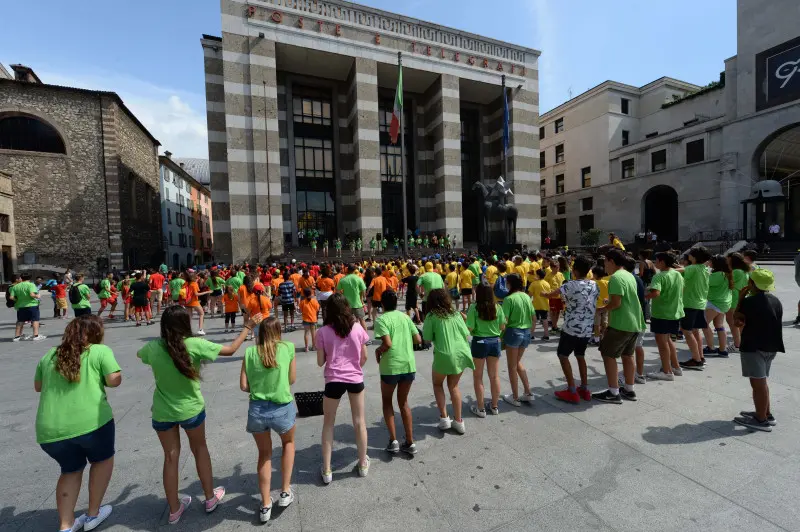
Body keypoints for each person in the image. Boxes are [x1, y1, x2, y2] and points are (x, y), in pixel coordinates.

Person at [137, 306, 263, 525]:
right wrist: (247, 327)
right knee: (200, 449)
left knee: (170, 457)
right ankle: (209, 498)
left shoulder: (153, 347)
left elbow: (140, 356)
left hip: (163, 411)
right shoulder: (195, 345)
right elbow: (231, 349)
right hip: (191, 409)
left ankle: (174, 509)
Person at [35, 315, 120, 532]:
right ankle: (93, 513)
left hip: (51, 431)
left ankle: (66, 525)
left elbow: (38, 386)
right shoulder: (100, 351)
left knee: (70, 470)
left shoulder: (49, 355)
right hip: (93, 423)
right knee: (101, 461)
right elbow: (114, 380)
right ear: (96, 333)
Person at [240, 317, 297, 521]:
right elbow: (292, 379)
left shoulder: (249, 352)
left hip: (257, 409)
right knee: (288, 443)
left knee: (264, 454)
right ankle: (284, 491)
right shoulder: (288, 347)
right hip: (282, 405)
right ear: (278, 331)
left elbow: (244, 386)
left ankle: (265, 505)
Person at [315, 294, 371, 484]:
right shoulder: (357, 328)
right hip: (354, 377)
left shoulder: (322, 331)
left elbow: (320, 361)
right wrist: (354, 367)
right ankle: (363, 463)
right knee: (359, 421)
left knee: (328, 423)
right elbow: (364, 357)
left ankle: (327, 469)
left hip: (333, 379)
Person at [732, 269, 784, 432]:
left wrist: (740, 298)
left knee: (758, 384)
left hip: (754, 347)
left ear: (751, 283)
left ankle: (761, 419)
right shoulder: (775, 300)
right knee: (762, 381)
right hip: (771, 346)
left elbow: (737, 321)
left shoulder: (750, 302)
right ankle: (765, 413)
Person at [592, 249, 646, 404]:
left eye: (605, 262)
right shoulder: (629, 275)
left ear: (611, 261)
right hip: (635, 322)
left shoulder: (615, 278)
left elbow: (616, 303)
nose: (604, 266)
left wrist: (600, 310)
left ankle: (613, 391)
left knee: (608, 355)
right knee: (628, 356)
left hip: (622, 323)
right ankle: (629, 389)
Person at [545, 256, 598, 404]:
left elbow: (553, 294)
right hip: (587, 328)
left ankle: (572, 390)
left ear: (574, 271)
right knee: (580, 355)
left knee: (563, 355)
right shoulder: (594, 285)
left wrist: (544, 294)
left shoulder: (570, 285)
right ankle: (585, 389)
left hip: (571, 328)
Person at [374, 290, 422, 454]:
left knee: (387, 402)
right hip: (408, 365)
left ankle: (393, 440)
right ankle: (410, 442)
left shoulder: (381, 320)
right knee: (404, 403)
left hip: (391, 367)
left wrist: (378, 350)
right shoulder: (405, 317)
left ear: (382, 304)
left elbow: (387, 343)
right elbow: (418, 339)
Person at [422, 289, 474, 434]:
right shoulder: (456, 313)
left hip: (444, 354)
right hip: (461, 352)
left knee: (438, 384)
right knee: (454, 386)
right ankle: (459, 421)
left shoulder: (431, 316)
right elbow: (466, 332)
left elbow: (427, 338)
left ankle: (444, 418)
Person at [465, 284, 505, 417]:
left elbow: (469, 329)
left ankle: (481, 408)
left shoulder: (474, 308)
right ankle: (494, 406)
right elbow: (502, 326)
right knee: (494, 376)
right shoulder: (497, 307)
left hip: (480, 342)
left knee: (478, 377)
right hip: (494, 341)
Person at [645, 253, 685, 381]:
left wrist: (644, 295)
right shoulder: (677, 274)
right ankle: (676, 367)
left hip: (662, 313)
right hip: (675, 312)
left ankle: (667, 371)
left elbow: (655, 293)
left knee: (662, 344)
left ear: (662, 262)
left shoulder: (659, 276)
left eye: (656, 261)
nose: (655, 263)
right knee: (668, 341)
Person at [501, 274, 535, 407]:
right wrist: (530, 333)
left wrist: (499, 335)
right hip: (526, 332)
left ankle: (515, 397)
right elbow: (534, 318)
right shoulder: (526, 296)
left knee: (512, 366)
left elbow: (504, 321)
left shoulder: (508, 299)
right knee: (517, 362)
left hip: (513, 333)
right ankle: (528, 392)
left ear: (510, 284)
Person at [678, 246, 712, 371]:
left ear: (695, 257)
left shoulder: (692, 268)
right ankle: (700, 357)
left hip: (690, 303)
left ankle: (696, 360)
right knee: (696, 331)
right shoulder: (704, 268)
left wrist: (669, 267)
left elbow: (680, 271)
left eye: (691, 254)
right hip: (700, 303)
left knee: (687, 331)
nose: (689, 256)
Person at [702, 255, 734, 358]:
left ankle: (711, 348)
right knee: (719, 326)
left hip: (715, 303)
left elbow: (704, 282)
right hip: (723, 302)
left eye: (710, 261)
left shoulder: (718, 275)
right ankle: (722, 350)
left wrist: (704, 267)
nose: (709, 262)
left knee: (703, 324)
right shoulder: (726, 274)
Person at [10, 273, 46, 342]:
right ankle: (35, 335)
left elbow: (11, 297)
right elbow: (32, 294)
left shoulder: (15, 286)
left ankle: (17, 336)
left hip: (21, 306)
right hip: (32, 305)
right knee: (35, 320)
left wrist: (17, 300)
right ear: (30, 278)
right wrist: (37, 296)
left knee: (20, 321)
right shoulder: (31, 285)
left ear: (21, 278)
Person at [727, 252, 751, 351]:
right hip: (741, 297)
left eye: (728, 260)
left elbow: (728, 283)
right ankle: (741, 342)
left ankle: (737, 344)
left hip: (734, 298)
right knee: (739, 322)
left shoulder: (736, 272)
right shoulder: (744, 271)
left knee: (732, 322)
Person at [337, 265, 368, 333]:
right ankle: (366, 338)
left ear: (347, 270)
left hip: (346, 304)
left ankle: (348, 335)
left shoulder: (343, 279)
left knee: (347, 321)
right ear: (354, 270)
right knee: (362, 320)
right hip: (357, 303)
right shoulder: (358, 278)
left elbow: (338, 292)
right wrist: (362, 298)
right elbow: (364, 290)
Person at [527, 269, 551, 341]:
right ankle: (546, 335)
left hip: (535, 305)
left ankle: (531, 335)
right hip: (545, 304)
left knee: (534, 320)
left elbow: (530, 295)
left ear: (538, 275)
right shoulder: (547, 283)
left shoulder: (534, 284)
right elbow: (548, 294)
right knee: (544, 319)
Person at [299, 288, 320, 352]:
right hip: (313, 319)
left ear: (304, 294)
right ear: (311, 293)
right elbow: (317, 309)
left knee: (306, 333)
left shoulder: (302, 302)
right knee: (313, 334)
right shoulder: (315, 301)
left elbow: (301, 310)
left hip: (306, 319)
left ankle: (306, 347)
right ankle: (314, 346)